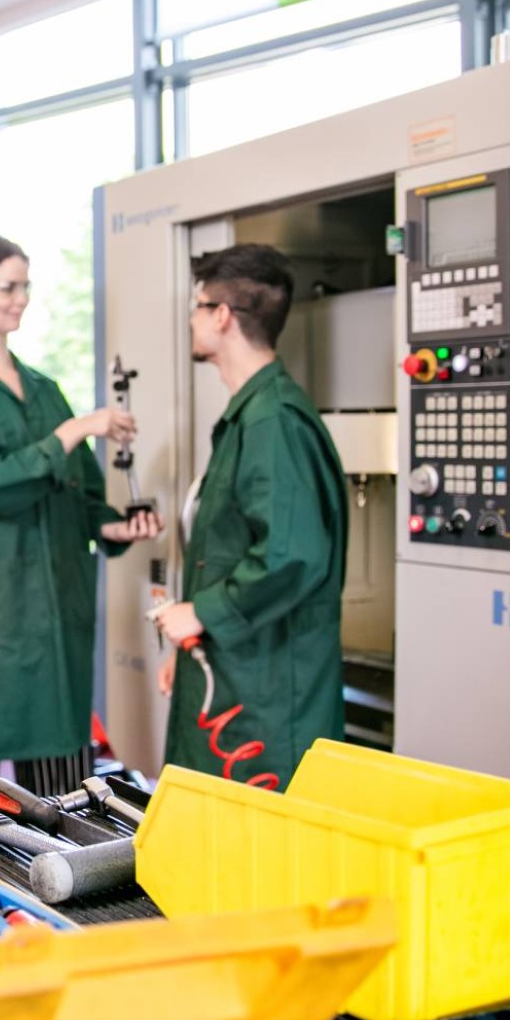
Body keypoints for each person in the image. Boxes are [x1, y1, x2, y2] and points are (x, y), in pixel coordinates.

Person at [0, 235, 162, 803]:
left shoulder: (45, 392)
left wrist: (113, 526)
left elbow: (82, 496)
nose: (21, 298)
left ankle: (57, 889)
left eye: (26, 286)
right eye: (8, 286)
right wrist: (77, 430)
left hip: (56, 622)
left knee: (64, 804)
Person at [151, 244, 349, 789]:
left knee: (257, 858)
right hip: (233, 671)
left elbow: (289, 555)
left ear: (221, 316)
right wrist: (193, 648)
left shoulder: (273, 423)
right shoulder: (249, 417)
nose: (190, 319)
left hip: (265, 697)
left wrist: (201, 613)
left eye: (196, 306)